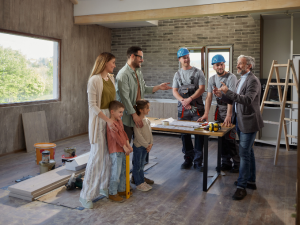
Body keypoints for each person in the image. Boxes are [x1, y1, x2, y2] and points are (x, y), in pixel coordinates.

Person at [116, 46, 172, 185]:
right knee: (125, 151)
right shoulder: (123, 75)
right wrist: (134, 115)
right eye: (140, 57)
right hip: (128, 119)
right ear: (132, 57)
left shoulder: (138, 72)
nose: (142, 59)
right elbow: (125, 99)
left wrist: (158, 87)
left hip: (138, 117)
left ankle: (138, 177)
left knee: (141, 150)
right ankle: (122, 182)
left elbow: (144, 89)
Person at [213, 55, 264, 200]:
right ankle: (251, 181)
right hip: (240, 121)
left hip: (249, 122)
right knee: (249, 153)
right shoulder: (241, 80)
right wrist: (221, 95)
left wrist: (227, 91)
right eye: (237, 64)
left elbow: (247, 100)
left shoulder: (253, 81)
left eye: (240, 64)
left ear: (249, 66)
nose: (237, 66)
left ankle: (241, 187)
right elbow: (233, 99)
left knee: (243, 154)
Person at [79, 52, 118, 209]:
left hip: (110, 119)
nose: (114, 65)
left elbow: (113, 101)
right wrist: (107, 119)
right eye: (113, 62)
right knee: (97, 158)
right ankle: (86, 195)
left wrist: (115, 117)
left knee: (108, 157)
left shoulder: (111, 78)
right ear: (105, 62)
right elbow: (92, 105)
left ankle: (104, 187)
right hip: (100, 121)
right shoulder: (94, 80)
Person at [197, 54, 240, 173]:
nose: (220, 67)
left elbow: (231, 98)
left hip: (230, 110)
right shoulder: (211, 79)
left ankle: (237, 163)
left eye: (222, 64)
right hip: (219, 110)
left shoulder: (231, 77)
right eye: (217, 65)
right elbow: (209, 98)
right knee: (221, 138)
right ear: (214, 67)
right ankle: (225, 162)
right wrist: (206, 114)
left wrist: (229, 116)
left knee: (230, 138)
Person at [172, 48, 206, 171]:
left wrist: (189, 99)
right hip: (183, 108)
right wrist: (183, 101)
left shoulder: (198, 72)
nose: (186, 59)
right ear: (179, 59)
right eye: (184, 57)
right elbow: (174, 91)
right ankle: (188, 159)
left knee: (198, 133)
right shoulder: (177, 74)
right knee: (184, 133)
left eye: (187, 57)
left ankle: (198, 162)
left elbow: (202, 88)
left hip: (196, 108)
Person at [107, 100, 133, 202]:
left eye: (122, 112)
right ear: (112, 112)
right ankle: (112, 193)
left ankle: (121, 189)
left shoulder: (119, 121)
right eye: (120, 112)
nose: (121, 114)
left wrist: (127, 144)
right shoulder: (111, 123)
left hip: (122, 150)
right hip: (116, 151)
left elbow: (123, 133)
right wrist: (124, 146)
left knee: (124, 171)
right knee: (116, 173)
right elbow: (116, 137)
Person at [132, 99, 153, 192]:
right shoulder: (137, 121)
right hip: (139, 147)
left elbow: (150, 133)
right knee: (137, 165)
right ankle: (138, 183)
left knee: (141, 165)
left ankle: (142, 181)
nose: (149, 109)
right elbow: (138, 136)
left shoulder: (147, 120)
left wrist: (150, 143)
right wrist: (146, 145)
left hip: (145, 147)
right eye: (147, 108)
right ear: (141, 110)